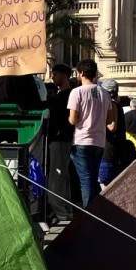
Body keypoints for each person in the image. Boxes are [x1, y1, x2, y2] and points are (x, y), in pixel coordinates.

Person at [67, 59, 115, 207]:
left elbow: (73, 120)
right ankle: (95, 212)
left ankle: (87, 214)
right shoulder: (105, 93)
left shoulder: (77, 92)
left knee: (86, 180)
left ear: (81, 73)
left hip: (82, 140)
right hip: (99, 141)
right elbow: (110, 121)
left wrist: (70, 118)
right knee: (93, 179)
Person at [46, 64, 78, 220]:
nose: (52, 76)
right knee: (63, 175)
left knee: (57, 176)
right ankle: (66, 209)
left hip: (60, 138)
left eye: (55, 73)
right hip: (64, 138)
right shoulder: (66, 95)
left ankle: (59, 210)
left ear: (65, 75)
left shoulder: (66, 96)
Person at [98, 79, 135, 189]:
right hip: (115, 152)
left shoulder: (111, 105)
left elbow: (112, 127)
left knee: (104, 185)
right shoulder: (117, 105)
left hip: (108, 151)